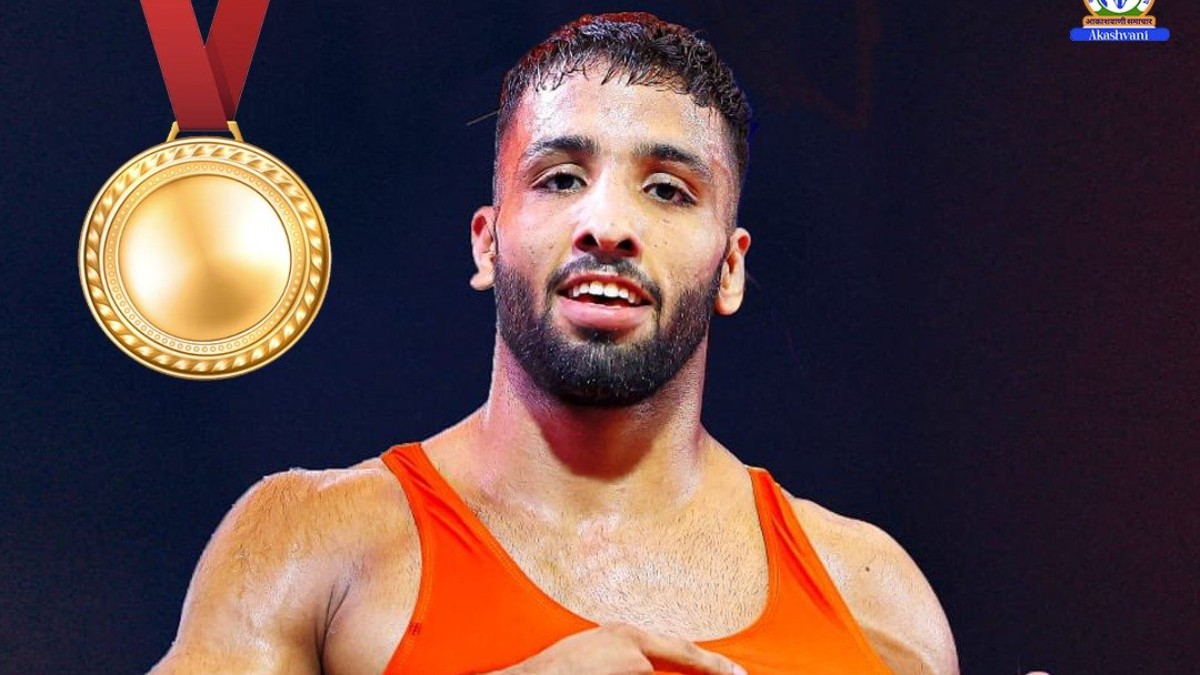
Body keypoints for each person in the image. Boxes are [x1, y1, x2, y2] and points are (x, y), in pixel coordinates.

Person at [151, 13, 959, 675]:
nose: (607, 225)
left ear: (730, 269)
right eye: (561, 178)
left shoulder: (872, 595)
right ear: (487, 241)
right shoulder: (309, 545)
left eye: (668, 190)